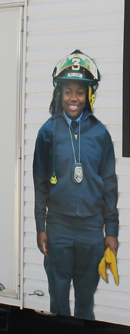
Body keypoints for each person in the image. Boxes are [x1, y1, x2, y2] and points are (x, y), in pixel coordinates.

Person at [33, 50, 118, 320]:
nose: (73, 98)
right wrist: (41, 228)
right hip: (58, 227)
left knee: (86, 297)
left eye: (80, 92)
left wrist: (111, 231)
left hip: (92, 229)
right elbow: (40, 184)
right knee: (58, 295)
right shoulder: (47, 132)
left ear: (88, 95)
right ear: (59, 94)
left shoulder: (101, 133)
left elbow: (109, 184)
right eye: (68, 91)